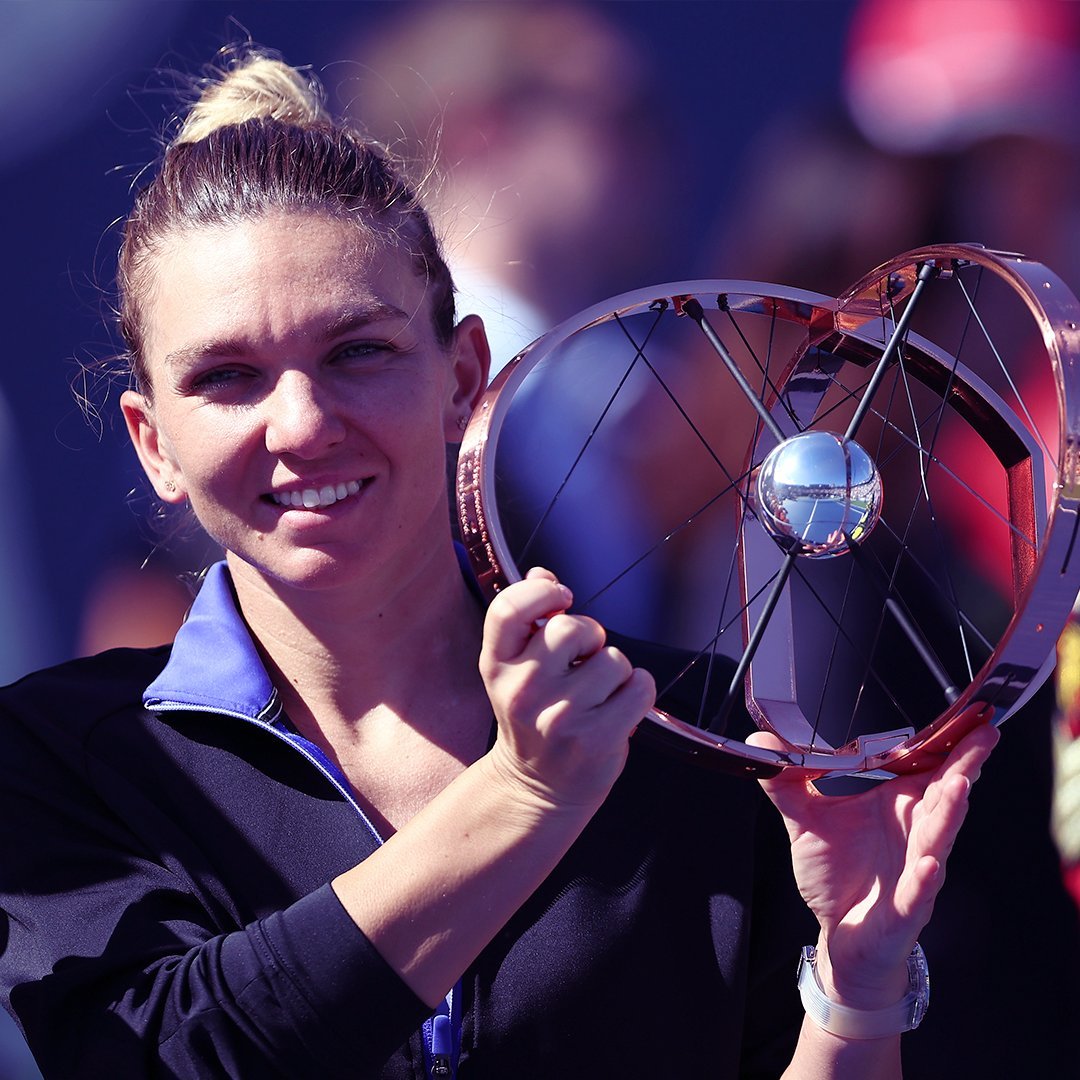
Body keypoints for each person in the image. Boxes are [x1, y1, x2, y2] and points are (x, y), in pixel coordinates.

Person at [0, 48, 998, 1079]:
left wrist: (859, 983)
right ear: (152, 440)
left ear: (464, 376)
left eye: (358, 352)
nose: (301, 423)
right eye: (228, 378)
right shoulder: (61, 756)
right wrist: (522, 800)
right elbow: (168, 1058)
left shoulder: (697, 730)